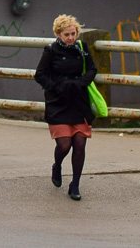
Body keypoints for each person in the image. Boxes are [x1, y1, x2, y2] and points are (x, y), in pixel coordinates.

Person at [35, 13, 97, 201]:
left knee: (80, 143)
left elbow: (93, 69)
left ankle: (75, 184)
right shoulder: (51, 50)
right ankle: (57, 165)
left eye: (73, 34)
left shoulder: (82, 48)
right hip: (58, 103)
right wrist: (57, 87)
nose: (71, 38)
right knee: (64, 144)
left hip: (79, 101)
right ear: (58, 35)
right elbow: (40, 75)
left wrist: (82, 82)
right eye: (66, 35)